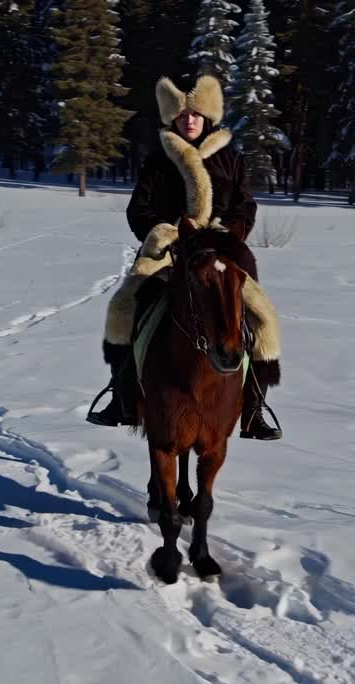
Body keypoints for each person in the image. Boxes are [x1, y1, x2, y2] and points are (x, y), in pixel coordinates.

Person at [87, 74, 282, 441]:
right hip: (168, 253)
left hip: (220, 254)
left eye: (195, 115)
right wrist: (164, 232)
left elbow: (246, 206)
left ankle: (254, 411)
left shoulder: (230, 159)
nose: (189, 122)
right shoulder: (159, 161)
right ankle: (123, 397)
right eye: (182, 117)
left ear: (207, 117)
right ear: (172, 119)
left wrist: (230, 232)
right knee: (123, 307)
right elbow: (138, 209)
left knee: (262, 319)